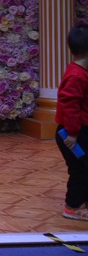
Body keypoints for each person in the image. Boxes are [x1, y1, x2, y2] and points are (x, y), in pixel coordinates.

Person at [55, 23, 88, 221]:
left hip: (80, 131)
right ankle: (73, 206)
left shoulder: (81, 72)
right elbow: (69, 106)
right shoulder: (77, 76)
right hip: (72, 134)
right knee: (80, 170)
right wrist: (73, 133)